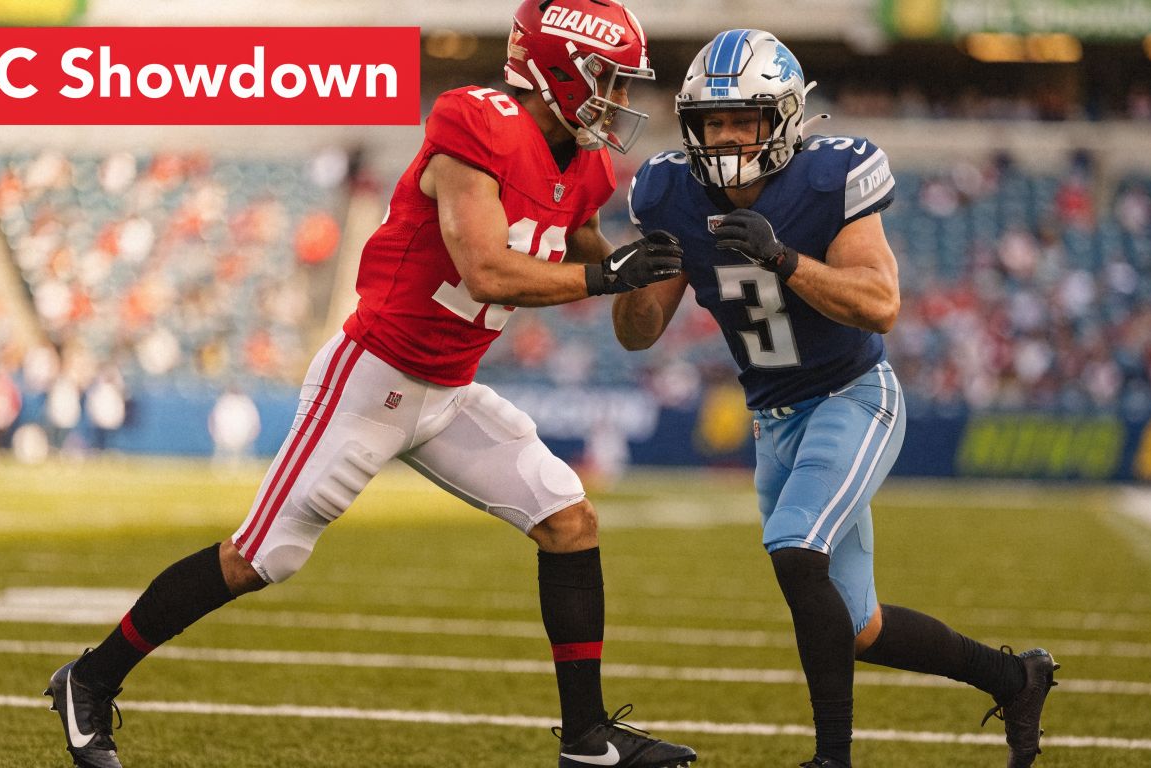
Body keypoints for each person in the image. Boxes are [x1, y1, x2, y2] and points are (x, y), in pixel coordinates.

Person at [43, 3, 695, 768]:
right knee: (260, 556)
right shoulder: (475, 123)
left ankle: (587, 740)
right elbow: (485, 267)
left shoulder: (582, 166)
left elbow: (631, 324)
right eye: (605, 78)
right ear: (555, 70)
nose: (617, 97)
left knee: (569, 521)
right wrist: (599, 274)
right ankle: (88, 680)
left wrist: (682, 257)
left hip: (449, 391)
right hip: (374, 375)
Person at [614, 29, 1058, 768]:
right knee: (857, 626)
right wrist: (627, 281)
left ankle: (831, 759)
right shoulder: (668, 192)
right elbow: (639, 334)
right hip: (772, 422)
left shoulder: (831, 177)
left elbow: (881, 303)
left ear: (783, 120)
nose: (726, 137)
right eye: (713, 122)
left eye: (744, 120)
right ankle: (1015, 678)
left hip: (851, 397)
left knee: (795, 549)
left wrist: (784, 259)